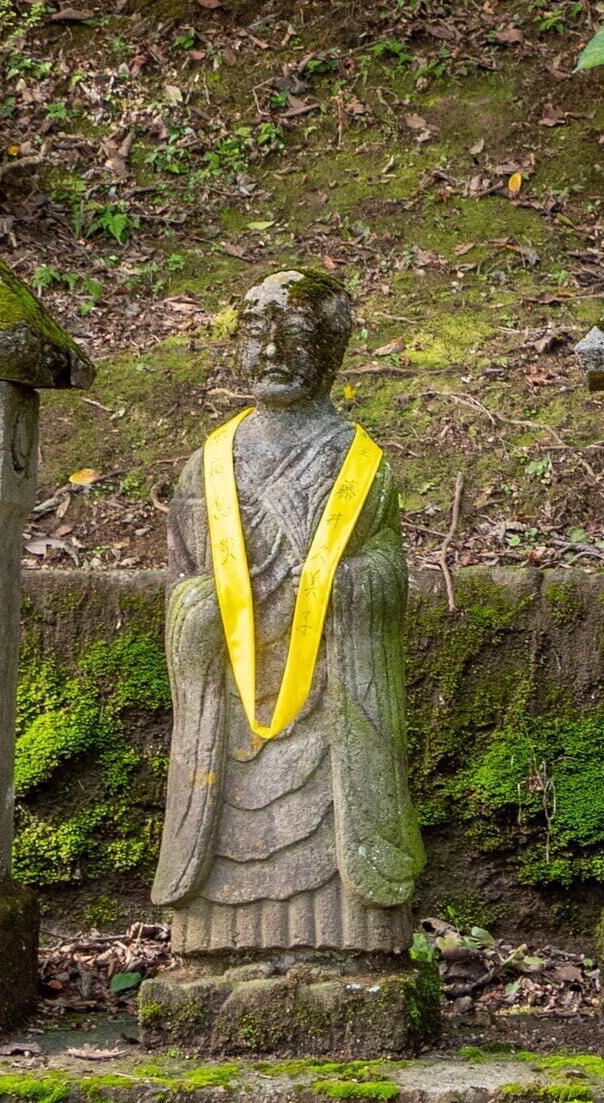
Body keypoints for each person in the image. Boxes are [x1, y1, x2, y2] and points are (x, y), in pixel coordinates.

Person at [152, 270, 420, 972]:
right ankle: (215, 949)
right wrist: (198, 613)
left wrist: (356, 590)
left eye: (295, 334)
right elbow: (183, 577)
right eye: (253, 332)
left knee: (332, 806)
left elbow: (386, 573)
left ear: (330, 350)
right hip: (232, 704)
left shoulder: (361, 464)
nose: (270, 349)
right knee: (228, 806)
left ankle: (347, 943)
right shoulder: (207, 466)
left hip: (331, 698)